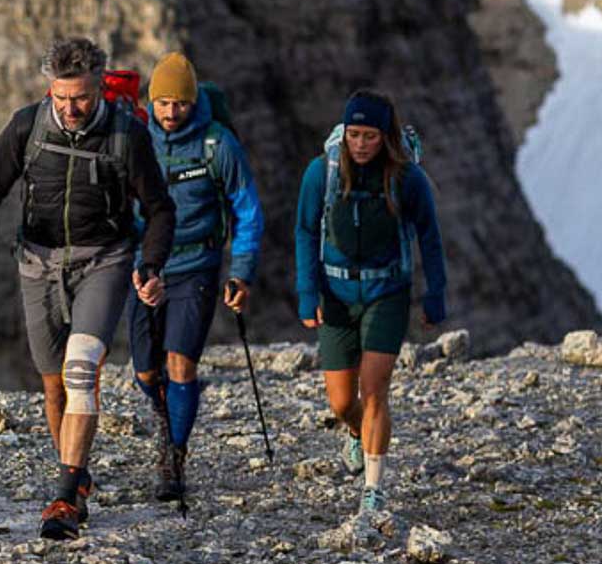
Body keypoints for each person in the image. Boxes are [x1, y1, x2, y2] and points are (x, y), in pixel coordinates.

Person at [0, 37, 175, 540]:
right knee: (53, 382)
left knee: (81, 372)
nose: (71, 108)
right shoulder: (25, 126)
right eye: (61, 98)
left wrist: (152, 264)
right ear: (49, 90)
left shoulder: (127, 134)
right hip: (36, 263)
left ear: (99, 86)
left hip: (105, 260)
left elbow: (160, 208)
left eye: (80, 97)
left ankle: (63, 499)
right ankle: (75, 479)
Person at [295, 88, 447, 514]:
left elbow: (430, 238)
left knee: (374, 387)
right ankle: (353, 432)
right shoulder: (320, 173)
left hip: (387, 293)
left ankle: (373, 490)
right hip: (336, 293)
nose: (361, 144)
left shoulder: (407, 179)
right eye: (354, 134)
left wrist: (434, 294)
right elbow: (306, 231)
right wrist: (308, 293)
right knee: (343, 402)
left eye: (370, 136)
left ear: (386, 136)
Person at [122, 53, 263, 503]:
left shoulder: (217, 145)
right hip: (146, 266)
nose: (170, 113)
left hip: (196, 266)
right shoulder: (137, 138)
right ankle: (168, 417)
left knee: (181, 363)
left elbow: (247, 210)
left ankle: (174, 457)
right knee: (145, 369)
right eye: (162, 103)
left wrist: (240, 272)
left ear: (193, 101)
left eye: (179, 103)